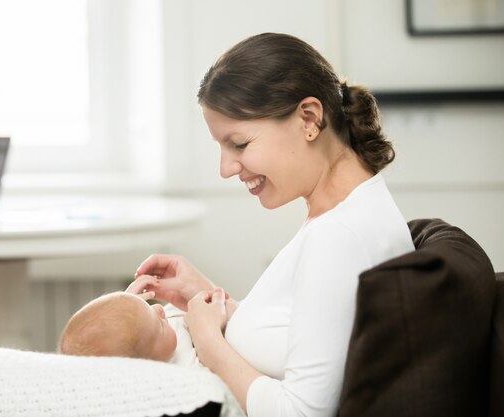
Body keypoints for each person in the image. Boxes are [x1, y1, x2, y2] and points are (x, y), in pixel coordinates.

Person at [133, 33, 415, 417]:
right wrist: (215, 301)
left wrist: (208, 341)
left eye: (240, 144)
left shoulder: (337, 236)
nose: (226, 168)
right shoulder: (347, 210)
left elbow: (302, 412)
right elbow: (305, 334)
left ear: (309, 118)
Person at [59, 276, 232, 366]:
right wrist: (213, 327)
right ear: (148, 364)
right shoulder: (184, 366)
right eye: (160, 327)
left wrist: (130, 304)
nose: (160, 309)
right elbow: (219, 364)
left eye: (149, 307)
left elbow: (124, 332)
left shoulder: (147, 340)